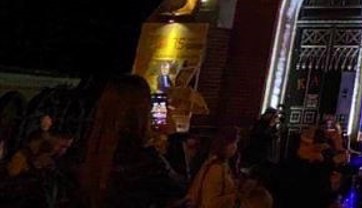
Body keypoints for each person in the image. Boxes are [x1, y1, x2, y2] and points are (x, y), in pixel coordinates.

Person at [76, 74, 186, 208]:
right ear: (142, 112)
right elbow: (179, 188)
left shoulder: (85, 150)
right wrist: (174, 138)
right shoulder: (144, 160)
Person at [187, 127, 241, 208]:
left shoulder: (223, 164)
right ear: (223, 145)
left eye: (236, 143)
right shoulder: (216, 169)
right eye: (233, 143)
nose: (235, 147)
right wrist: (236, 197)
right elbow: (210, 203)